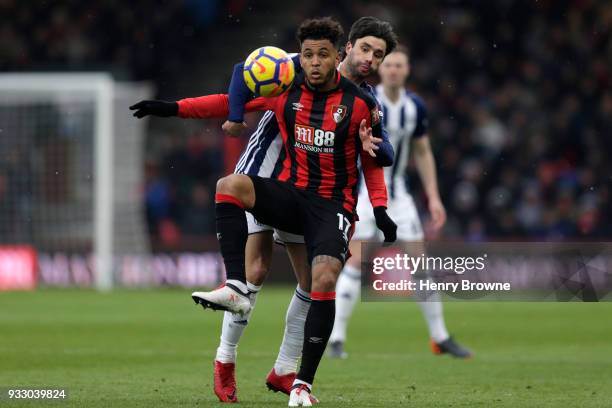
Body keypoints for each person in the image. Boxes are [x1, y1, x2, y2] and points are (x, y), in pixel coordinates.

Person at [131, 16, 400, 404]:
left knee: (311, 282)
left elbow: (378, 153)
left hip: (312, 190)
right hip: (265, 173)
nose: (371, 59)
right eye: (366, 49)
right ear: (348, 48)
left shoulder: (363, 101)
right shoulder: (294, 70)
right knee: (255, 269)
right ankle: (226, 356)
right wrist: (189, 110)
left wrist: (380, 202)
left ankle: (286, 368)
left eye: (379, 54)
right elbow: (242, 76)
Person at [328, 46, 472, 359]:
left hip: (401, 196)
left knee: (420, 265)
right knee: (355, 262)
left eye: (399, 65)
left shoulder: (415, 106)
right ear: (381, 69)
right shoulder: (365, 99)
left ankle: (440, 337)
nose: (393, 70)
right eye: (389, 64)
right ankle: (336, 338)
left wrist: (433, 197)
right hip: (365, 193)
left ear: (406, 70)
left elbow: (422, 151)